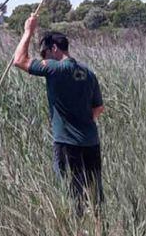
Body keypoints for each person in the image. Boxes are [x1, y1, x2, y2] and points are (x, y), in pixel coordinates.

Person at [13, 14, 105, 216]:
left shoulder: (55, 69)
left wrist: (28, 30)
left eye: (44, 53)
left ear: (54, 48)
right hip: (91, 142)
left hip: (66, 144)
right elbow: (98, 108)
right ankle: (99, 233)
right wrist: (82, 120)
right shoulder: (88, 72)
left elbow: (19, 60)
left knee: (71, 195)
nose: (44, 58)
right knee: (94, 193)